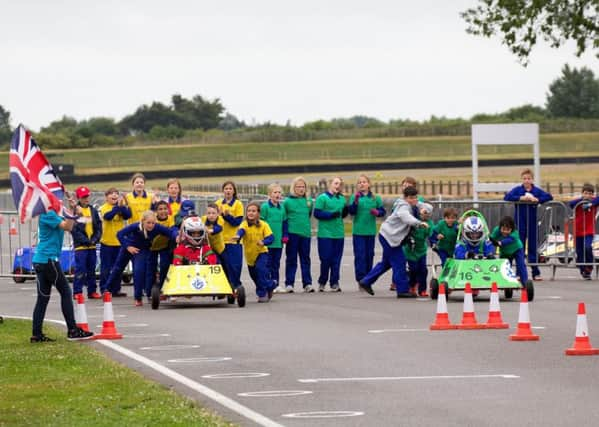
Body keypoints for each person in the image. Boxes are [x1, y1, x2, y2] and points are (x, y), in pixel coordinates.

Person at [30, 205, 94, 342]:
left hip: (42, 259)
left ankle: (36, 334)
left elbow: (71, 225)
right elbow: (66, 226)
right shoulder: (48, 213)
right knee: (65, 292)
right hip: (49, 259)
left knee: (43, 298)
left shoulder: (53, 212)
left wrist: (72, 211)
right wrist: (71, 215)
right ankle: (72, 330)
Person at [358, 186, 429, 298]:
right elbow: (406, 218)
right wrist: (419, 223)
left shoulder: (414, 204)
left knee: (386, 263)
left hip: (391, 238)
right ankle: (402, 290)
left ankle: (366, 281)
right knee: (399, 262)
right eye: (411, 198)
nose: (414, 200)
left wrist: (424, 209)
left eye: (415, 197)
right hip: (389, 238)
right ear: (405, 198)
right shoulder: (403, 207)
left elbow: (427, 207)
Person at [105, 210, 177, 306]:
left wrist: (176, 236)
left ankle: (138, 297)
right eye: (148, 223)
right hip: (128, 247)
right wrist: (127, 246)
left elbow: (170, 232)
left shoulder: (157, 227)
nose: (151, 225)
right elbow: (120, 234)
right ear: (142, 221)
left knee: (139, 271)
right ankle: (107, 289)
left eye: (153, 223)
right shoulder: (135, 226)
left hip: (141, 250)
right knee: (118, 268)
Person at [504, 168, 553, 280]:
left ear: (532, 180)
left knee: (532, 247)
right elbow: (507, 197)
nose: (526, 181)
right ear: (522, 179)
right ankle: (519, 273)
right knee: (519, 247)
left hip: (532, 223)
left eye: (529, 178)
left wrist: (537, 199)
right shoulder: (518, 190)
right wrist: (520, 198)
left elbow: (549, 196)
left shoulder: (536, 190)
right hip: (519, 223)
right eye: (524, 178)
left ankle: (535, 272)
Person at [231, 202, 275, 302]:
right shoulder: (244, 224)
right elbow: (241, 231)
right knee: (254, 276)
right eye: (249, 211)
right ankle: (271, 285)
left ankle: (261, 294)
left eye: (254, 211)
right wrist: (238, 236)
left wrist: (263, 242)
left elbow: (271, 238)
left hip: (262, 253)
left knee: (261, 271)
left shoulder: (264, 225)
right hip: (250, 256)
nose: (251, 213)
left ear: (258, 213)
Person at [348, 174, 385, 285]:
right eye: (359, 182)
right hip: (358, 231)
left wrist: (377, 212)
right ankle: (360, 278)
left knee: (369, 255)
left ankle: (368, 278)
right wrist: (355, 202)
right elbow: (352, 212)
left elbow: (382, 212)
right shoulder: (354, 197)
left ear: (368, 184)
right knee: (360, 255)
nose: (362, 184)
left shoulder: (375, 198)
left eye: (364, 182)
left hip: (370, 231)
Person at [313, 176, 347, 292]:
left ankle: (334, 282)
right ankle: (322, 281)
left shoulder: (342, 199)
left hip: (339, 233)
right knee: (326, 259)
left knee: (336, 260)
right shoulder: (322, 198)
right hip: (325, 234)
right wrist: (330, 215)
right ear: (330, 184)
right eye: (336, 183)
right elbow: (317, 213)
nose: (338, 186)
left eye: (339, 184)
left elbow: (343, 214)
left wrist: (348, 210)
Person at [283, 176, 314, 292]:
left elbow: (309, 215)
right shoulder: (287, 202)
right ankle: (289, 283)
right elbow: (284, 218)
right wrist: (285, 234)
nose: (301, 189)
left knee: (305, 258)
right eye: (298, 186)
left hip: (305, 234)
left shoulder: (309, 201)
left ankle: (307, 283)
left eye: (303, 187)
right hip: (292, 234)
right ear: (293, 188)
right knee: (291, 259)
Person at [71, 186, 102, 299]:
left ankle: (92, 291)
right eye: (83, 197)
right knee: (81, 269)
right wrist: (85, 241)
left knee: (91, 270)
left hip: (92, 245)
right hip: (81, 247)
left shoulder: (93, 210)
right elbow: (74, 230)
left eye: (87, 196)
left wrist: (94, 239)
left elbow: (98, 227)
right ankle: (77, 291)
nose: (86, 199)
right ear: (79, 197)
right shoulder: (75, 211)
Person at [99, 187, 131, 296]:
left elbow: (128, 216)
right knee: (106, 268)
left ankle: (116, 289)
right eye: (111, 194)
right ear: (106, 197)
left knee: (118, 268)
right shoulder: (104, 207)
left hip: (119, 243)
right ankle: (104, 288)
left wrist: (123, 207)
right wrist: (118, 208)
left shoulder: (120, 208)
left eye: (116, 194)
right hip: (107, 243)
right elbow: (108, 216)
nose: (114, 196)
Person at [215, 181, 244, 290]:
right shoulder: (218, 203)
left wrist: (227, 216)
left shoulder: (238, 204)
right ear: (223, 191)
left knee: (235, 266)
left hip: (233, 240)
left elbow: (237, 222)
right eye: (226, 188)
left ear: (234, 191)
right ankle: (224, 287)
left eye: (230, 189)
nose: (228, 191)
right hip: (220, 240)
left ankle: (235, 286)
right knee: (223, 265)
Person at [260, 183, 289, 292]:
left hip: (278, 242)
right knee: (267, 264)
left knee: (276, 264)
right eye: (275, 192)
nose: (277, 194)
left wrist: (285, 235)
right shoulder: (265, 207)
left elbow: (285, 222)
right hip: (268, 242)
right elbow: (261, 223)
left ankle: (276, 283)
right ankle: (267, 283)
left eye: (279, 192)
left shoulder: (282, 208)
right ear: (269, 194)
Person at [568, 183, 599, 280]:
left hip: (589, 231)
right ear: (582, 193)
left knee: (588, 247)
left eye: (590, 194)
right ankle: (583, 270)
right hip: (578, 231)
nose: (588, 195)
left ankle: (589, 266)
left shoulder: (594, 203)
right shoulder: (578, 203)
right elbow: (571, 204)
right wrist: (581, 200)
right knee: (579, 251)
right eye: (586, 193)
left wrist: (591, 203)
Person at [404, 203, 434, 297]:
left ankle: (422, 290)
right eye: (424, 213)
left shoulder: (429, 223)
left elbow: (431, 234)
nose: (426, 216)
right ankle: (411, 285)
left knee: (423, 270)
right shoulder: (414, 221)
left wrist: (435, 240)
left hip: (421, 250)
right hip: (411, 250)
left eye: (428, 214)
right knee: (414, 269)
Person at [490, 216, 528, 287]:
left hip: (517, 249)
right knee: (505, 267)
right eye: (503, 229)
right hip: (505, 252)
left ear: (512, 229)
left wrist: (499, 243)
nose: (505, 231)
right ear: (500, 227)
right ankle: (507, 284)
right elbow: (491, 239)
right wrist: (490, 241)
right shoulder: (496, 230)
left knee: (521, 265)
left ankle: (525, 283)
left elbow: (509, 240)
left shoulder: (515, 233)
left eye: (508, 230)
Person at [146, 200, 174, 296]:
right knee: (151, 269)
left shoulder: (171, 219)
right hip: (151, 247)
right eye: (160, 209)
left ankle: (163, 289)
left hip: (164, 247)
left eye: (165, 209)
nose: (163, 211)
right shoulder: (153, 220)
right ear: (156, 211)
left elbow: (172, 231)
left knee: (165, 266)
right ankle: (149, 291)